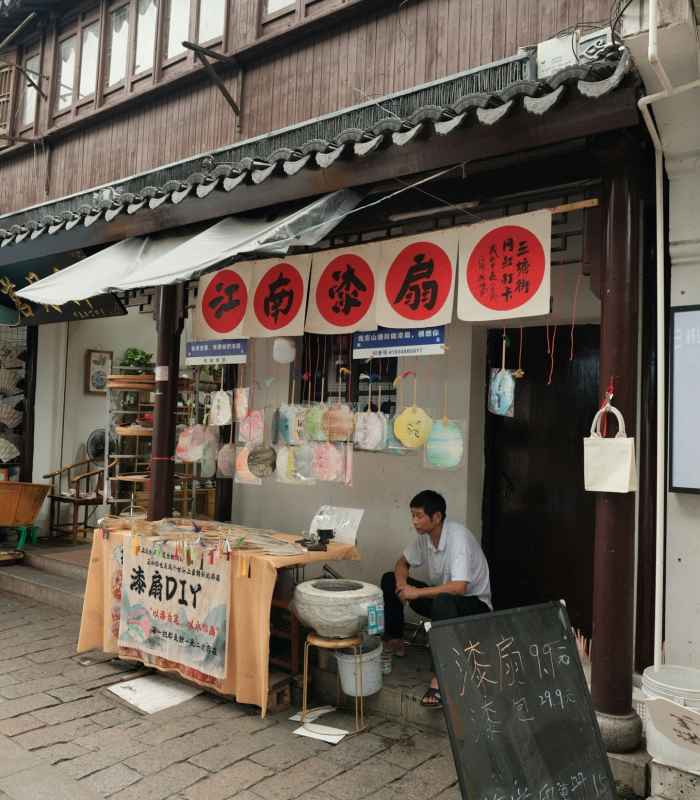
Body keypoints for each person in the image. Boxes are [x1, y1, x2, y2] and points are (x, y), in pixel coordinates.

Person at [381, 489, 492, 709]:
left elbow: (460, 587)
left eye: (419, 516)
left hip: (474, 606)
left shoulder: (457, 537)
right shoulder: (426, 538)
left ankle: (439, 679)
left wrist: (416, 593)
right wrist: (403, 586)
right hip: (445, 602)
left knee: (442, 599)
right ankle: (395, 641)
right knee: (388, 579)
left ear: (437, 517)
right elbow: (401, 563)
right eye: (412, 515)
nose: (414, 521)